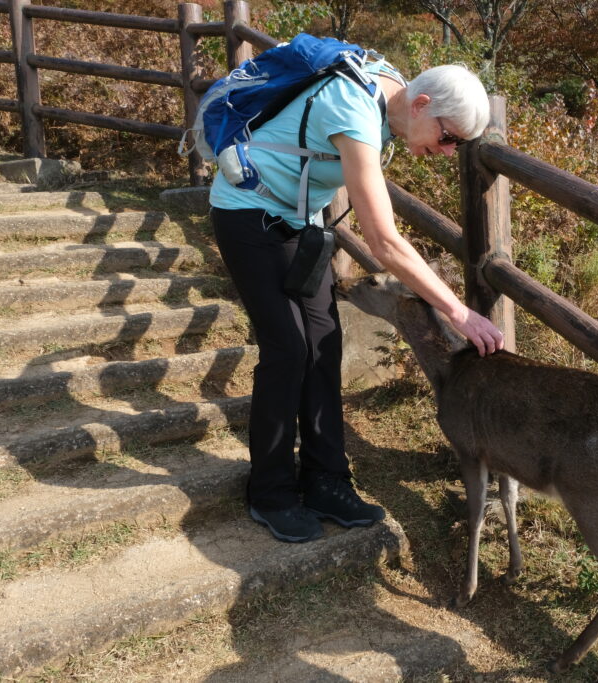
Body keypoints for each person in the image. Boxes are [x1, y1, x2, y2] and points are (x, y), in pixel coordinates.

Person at [209, 57, 505, 543]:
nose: (448, 151)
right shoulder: (352, 108)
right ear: (422, 104)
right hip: (247, 212)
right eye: (448, 137)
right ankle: (271, 491)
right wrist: (457, 310)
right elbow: (383, 243)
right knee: (288, 349)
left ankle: (326, 481)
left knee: (324, 343)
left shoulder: (393, 99)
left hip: (298, 222)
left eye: (456, 144)